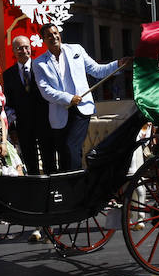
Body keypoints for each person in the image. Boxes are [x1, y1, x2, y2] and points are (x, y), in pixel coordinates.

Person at [32, 23, 130, 171]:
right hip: (59, 114)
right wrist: (69, 98)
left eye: (55, 33)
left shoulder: (76, 49)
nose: (54, 37)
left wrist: (118, 64)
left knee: (71, 146)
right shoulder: (39, 63)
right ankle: (67, 187)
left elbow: (97, 70)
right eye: (49, 35)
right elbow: (45, 91)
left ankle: (76, 184)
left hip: (82, 109)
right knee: (64, 152)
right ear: (43, 40)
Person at [3, 35, 54, 175]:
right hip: (24, 125)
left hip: (45, 122)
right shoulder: (8, 75)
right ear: (13, 51)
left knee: (49, 159)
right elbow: (9, 103)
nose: (24, 50)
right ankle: (34, 189)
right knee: (30, 162)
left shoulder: (42, 68)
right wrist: (13, 127)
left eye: (26, 47)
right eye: (19, 48)